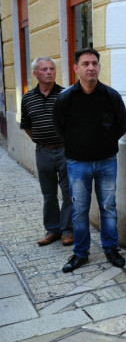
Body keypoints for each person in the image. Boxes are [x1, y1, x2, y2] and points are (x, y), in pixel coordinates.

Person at [53, 48, 126, 273]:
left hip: (107, 161)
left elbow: (122, 125)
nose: (91, 67)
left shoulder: (111, 96)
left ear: (99, 67)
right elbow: (59, 128)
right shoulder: (66, 98)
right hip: (77, 163)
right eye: (85, 64)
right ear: (76, 68)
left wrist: (103, 143)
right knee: (79, 210)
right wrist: (79, 145)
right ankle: (80, 253)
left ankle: (111, 249)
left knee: (108, 208)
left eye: (94, 63)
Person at [21, 57, 73, 247]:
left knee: (68, 192)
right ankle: (52, 230)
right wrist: (40, 140)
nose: (49, 72)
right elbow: (26, 125)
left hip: (65, 150)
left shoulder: (66, 95)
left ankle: (67, 230)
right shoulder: (28, 98)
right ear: (35, 74)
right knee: (48, 193)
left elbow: (74, 123)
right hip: (43, 151)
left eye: (52, 68)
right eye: (44, 69)